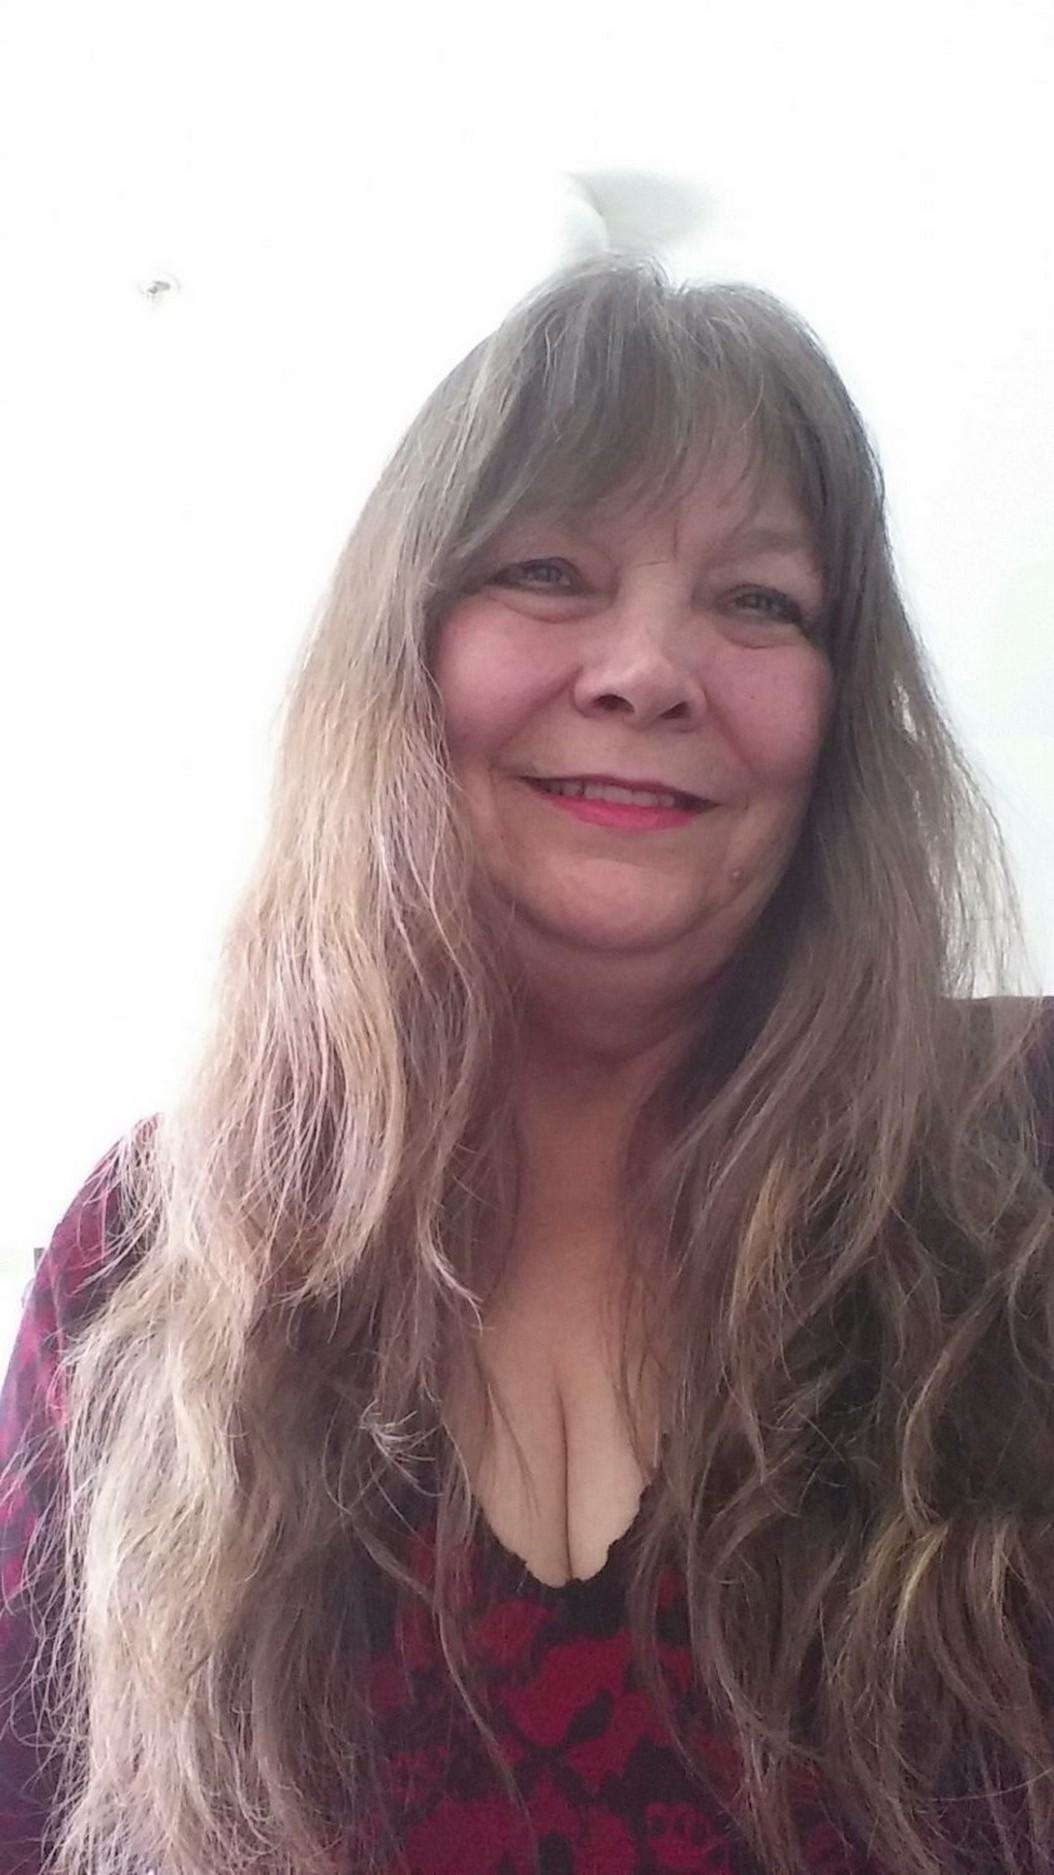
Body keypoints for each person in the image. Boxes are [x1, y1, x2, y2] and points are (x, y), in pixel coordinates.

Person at [2, 250, 1053, 1875]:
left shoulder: (1022, 1162)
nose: (646, 669)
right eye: (550, 572)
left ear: (841, 719)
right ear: (403, 657)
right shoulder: (149, 1251)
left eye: (759, 603)